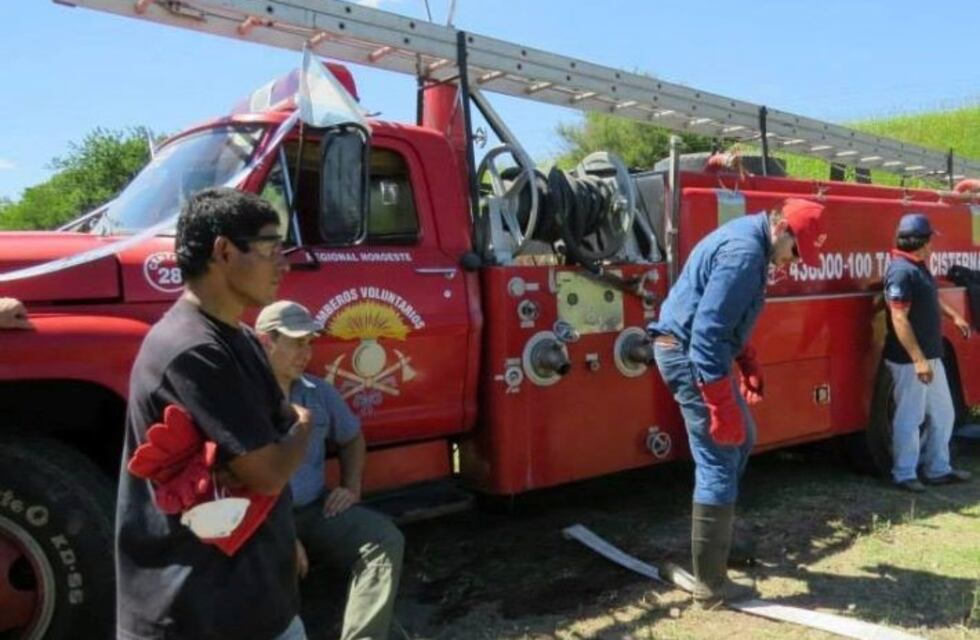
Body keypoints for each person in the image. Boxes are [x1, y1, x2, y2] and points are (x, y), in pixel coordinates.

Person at [116, 188, 313, 640]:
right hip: (199, 615)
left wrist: (277, 444)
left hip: (255, 604)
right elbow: (267, 472)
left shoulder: (239, 338)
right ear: (223, 251)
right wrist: (304, 422)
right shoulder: (193, 349)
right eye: (270, 248)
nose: (283, 264)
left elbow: (265, 452)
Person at [647, 198, 826, 606]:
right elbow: (708, 333)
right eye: (796, 251)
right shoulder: (745, 254)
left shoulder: (752, 241)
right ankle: (711, 585)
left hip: (697, 351)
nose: (795, 261)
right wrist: (718, 404)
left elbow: (724, 320)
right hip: (690, 354)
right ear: (782, 229)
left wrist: (746, 359)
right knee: (721, 455)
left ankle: (718, 542)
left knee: (742, 440)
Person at [255, 300, 404, 640]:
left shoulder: (318, 392)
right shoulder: (242, 400)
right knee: (270, 571)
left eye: (310, 343)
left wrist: (350, 487)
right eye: (297, 342)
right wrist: (282, 536)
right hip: (260, 518)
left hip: (314, 508)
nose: (306, 352)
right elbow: (235, 480)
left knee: (383, 539)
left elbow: (352, 439)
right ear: (267, 341)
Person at [883, 212, 972, 492]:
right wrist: (918, 359)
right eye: (930, 239)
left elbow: (930, 297)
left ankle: (937, 469)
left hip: (931, 356)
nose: (933, 244)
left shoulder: (918, 266)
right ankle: (904, 473)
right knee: (910, 418)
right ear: (921, 242)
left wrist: (954, 316)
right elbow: (899, 318)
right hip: (911, 361)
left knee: (944, 413)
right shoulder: (900, 271)